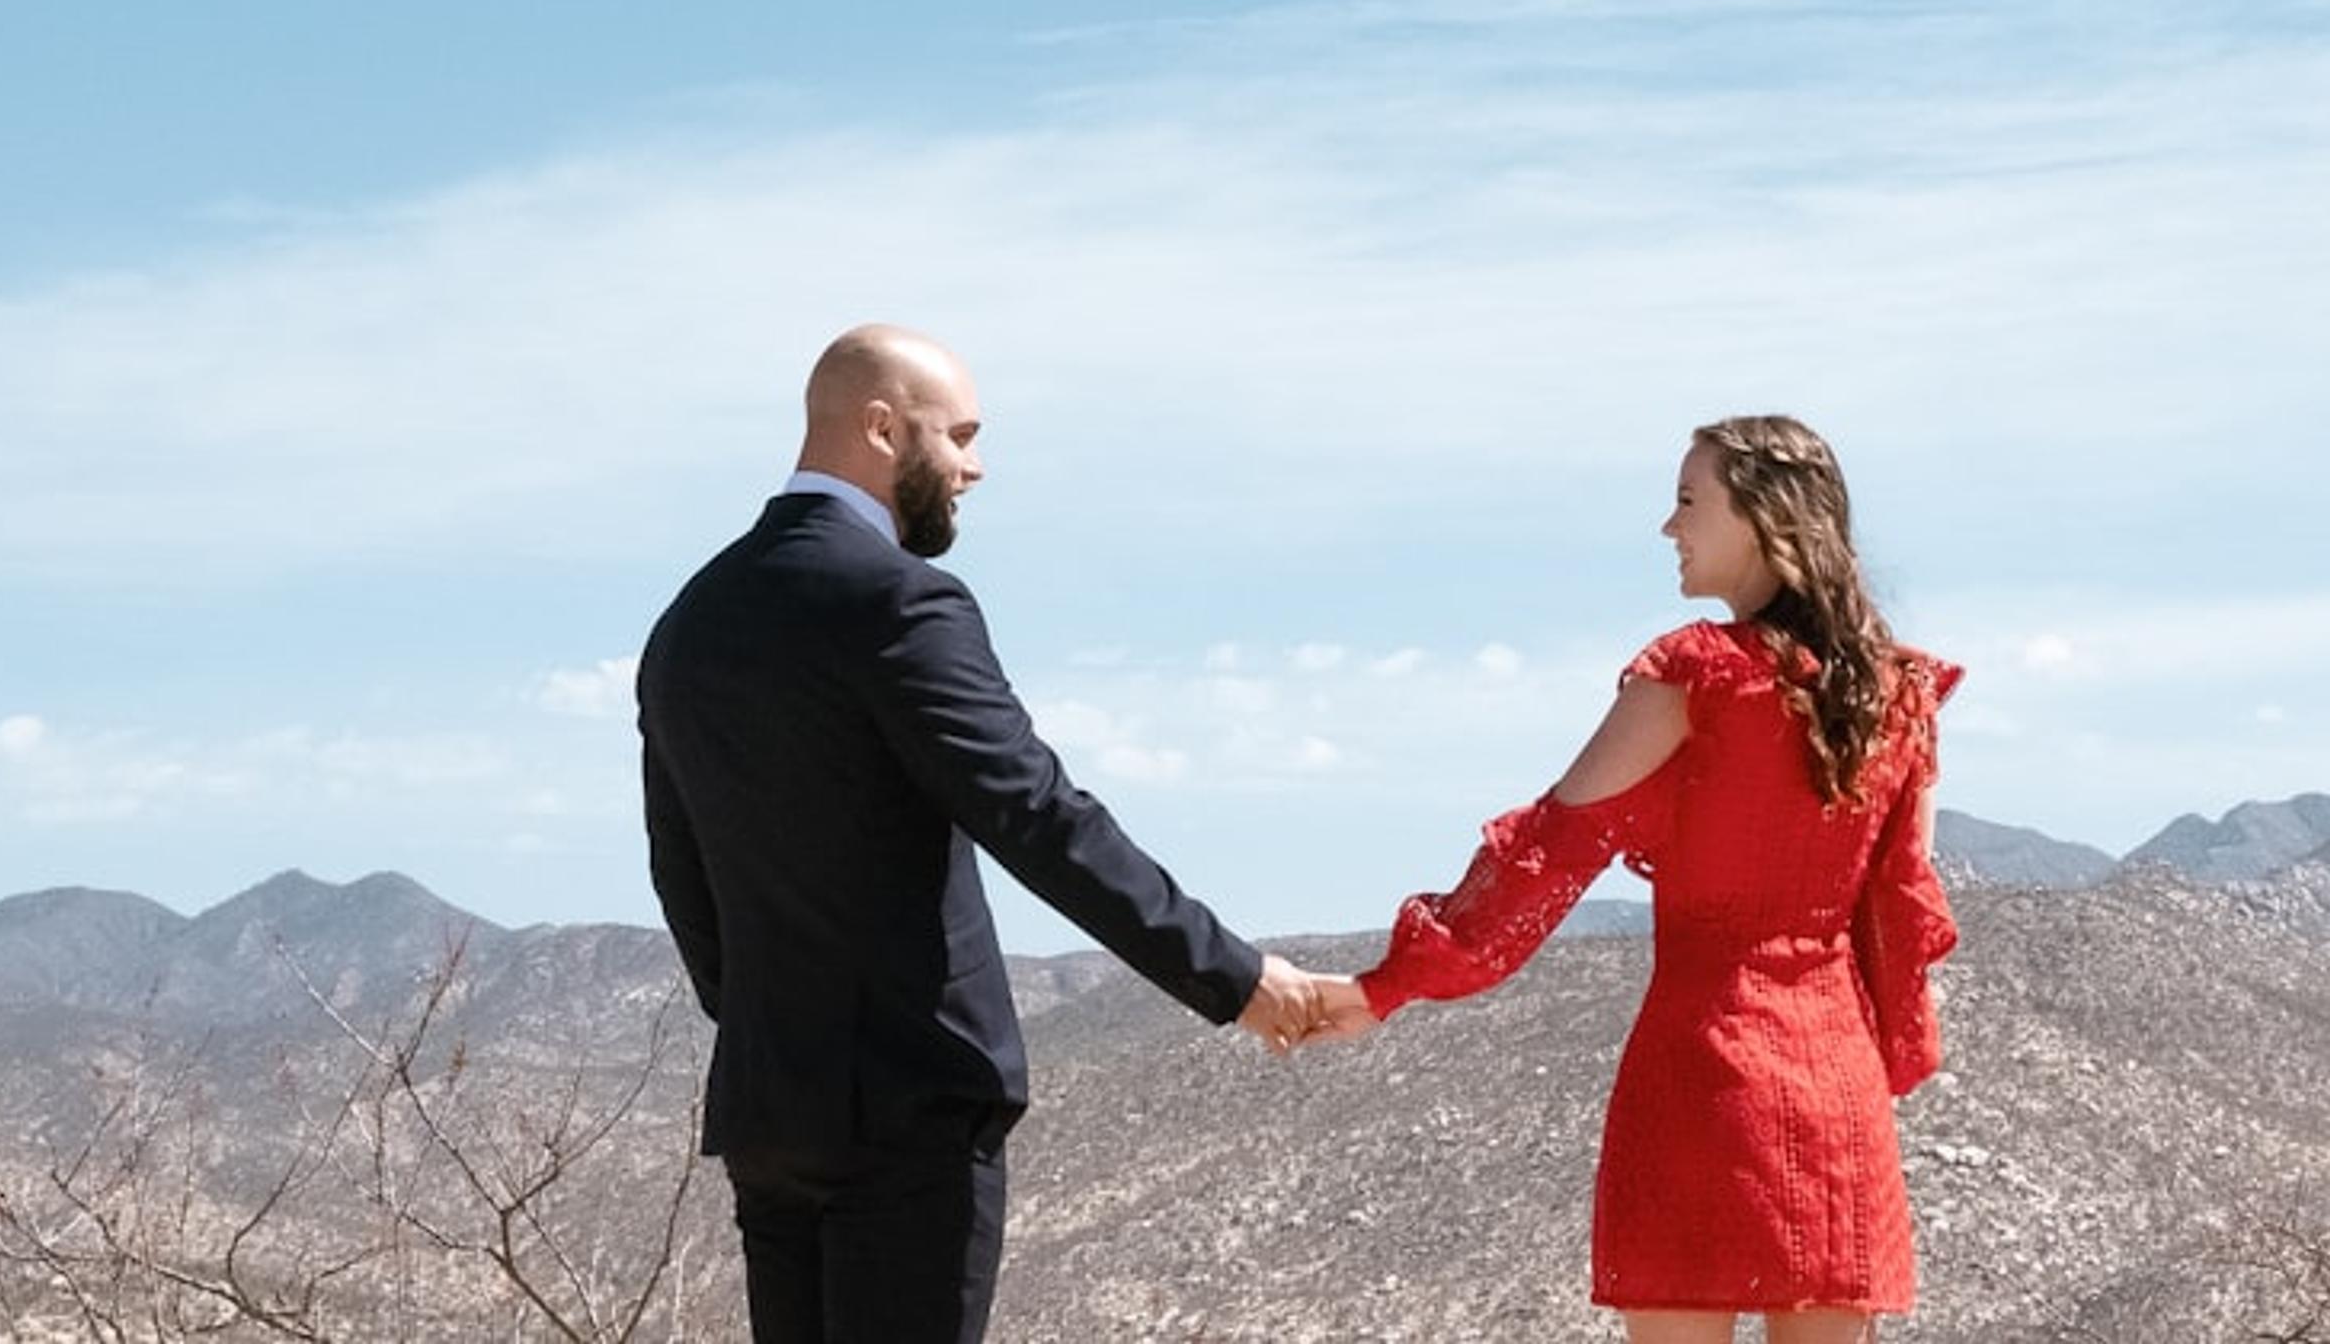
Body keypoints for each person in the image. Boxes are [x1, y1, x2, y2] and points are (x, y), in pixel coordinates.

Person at [640, 324, 1335, 1344]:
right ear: (881, 427)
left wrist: (767, 1022)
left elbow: (680, 870)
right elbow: (1037, 815)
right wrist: (1229, 976)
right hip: (909, 1113)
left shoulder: (689, 622)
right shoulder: (898, 602)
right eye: (957, 435)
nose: (974, 466)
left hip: (770, 1112)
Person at [1314, 415, 1963, 1344]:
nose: (1670, 527)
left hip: (1703, 1073)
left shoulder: (1694, 675)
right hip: (1835, 1094)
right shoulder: (1901, 698)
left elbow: (1543, 853)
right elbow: (1901, 909)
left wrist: (1386, 988)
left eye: (1689, 501)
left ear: (1763, 519)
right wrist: (1880, 1059)